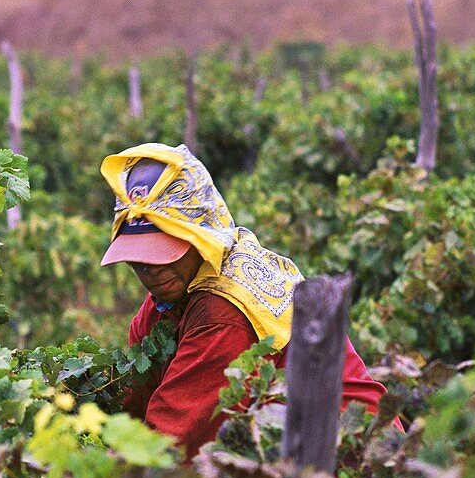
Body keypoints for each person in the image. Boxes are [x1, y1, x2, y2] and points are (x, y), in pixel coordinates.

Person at [99, 143, 397, 459]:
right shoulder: (169, 296)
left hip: (355, 453)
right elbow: (133, 395)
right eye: (140, 260)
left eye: (164, 254)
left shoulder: (221, 310)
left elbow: (169, 436)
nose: (152, 272)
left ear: (200, 239)